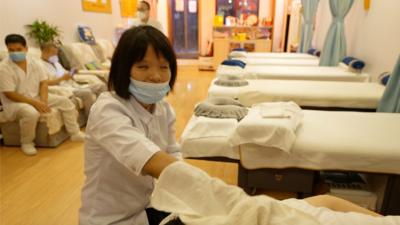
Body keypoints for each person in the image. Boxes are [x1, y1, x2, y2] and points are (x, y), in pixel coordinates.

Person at [79, 26, 180, 225]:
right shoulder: (107, 110)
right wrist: (206, 187)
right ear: (124, 69)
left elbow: (173, 152)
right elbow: (146, 158)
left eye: (164, 66)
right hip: (107, 218)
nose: (156, 76)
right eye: (143, 67)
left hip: (142, 209)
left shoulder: (163, 109)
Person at [0, 34, 85, 156]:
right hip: (15, 103)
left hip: (37, 96)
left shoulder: (34, 63)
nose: (15, 53)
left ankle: (74, 133)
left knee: (65, 101)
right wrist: (35, 103)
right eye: (11, 50)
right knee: (31, 113)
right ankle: (27, 142)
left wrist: (43, 101)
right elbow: (9, 94)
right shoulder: (4, 68)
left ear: (26, 49)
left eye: (18, 49)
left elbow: (43, 83)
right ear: (7, 50)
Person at [40, 42, 106, 119]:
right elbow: (44, 83)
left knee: (101, 86)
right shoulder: (40, 65)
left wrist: (72, 72)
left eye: (56, 53)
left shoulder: (55, 63)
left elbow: (65, 73)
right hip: (62, 89)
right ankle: (92, 119)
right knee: (87, 93)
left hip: (72, 85)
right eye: (53, 53)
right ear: (44, 52)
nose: (55, 56)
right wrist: (61, 79)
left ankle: (103, 112)